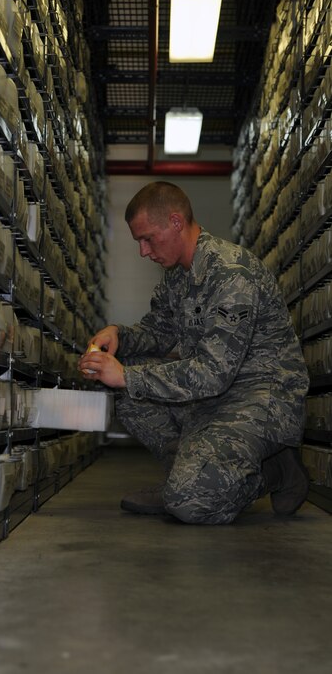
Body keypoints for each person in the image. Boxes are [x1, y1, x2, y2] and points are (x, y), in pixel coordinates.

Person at [79, 181, 310, 525]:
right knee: (122, 382)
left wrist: (126, 376)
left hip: (261, 400)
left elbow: (212, 373)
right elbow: (158, 332)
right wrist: (119, 337)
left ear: (175, 222)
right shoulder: (177, 278)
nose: (143, 251)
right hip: (213, 400)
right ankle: (184, 476)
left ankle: (271, 471)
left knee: (191, 504)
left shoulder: (232, 274)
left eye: (147, 239)